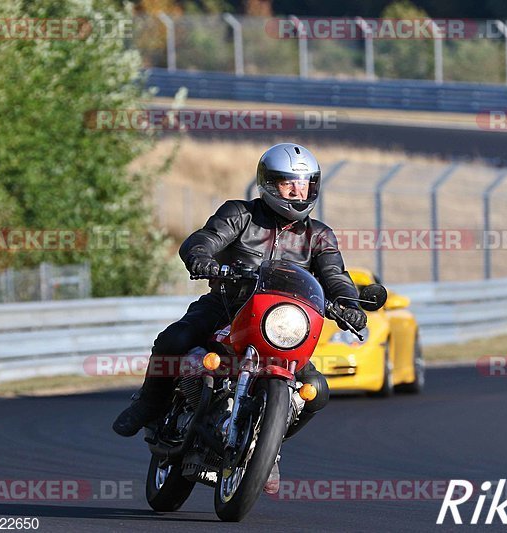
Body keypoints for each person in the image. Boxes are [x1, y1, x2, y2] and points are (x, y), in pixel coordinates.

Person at [112, 143, 367, 491]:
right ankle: (149, 404)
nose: (296, 190)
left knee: (317, 391)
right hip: (227, 305)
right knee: (176, 339)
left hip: (283, 321)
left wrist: (349, 302)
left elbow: (335, 275)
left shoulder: (319, 235)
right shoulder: (241, 214)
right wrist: (202, 256)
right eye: (287, 182)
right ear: (268, 184)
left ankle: (266, 447)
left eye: (304, 183)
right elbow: (204, 239)